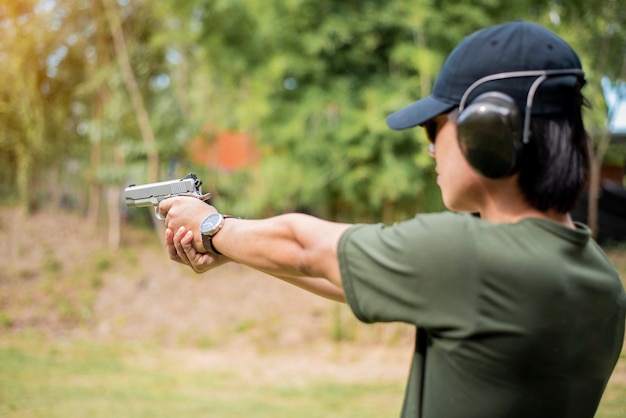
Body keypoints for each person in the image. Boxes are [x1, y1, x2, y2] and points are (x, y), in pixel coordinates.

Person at [159, 20, 626, 418]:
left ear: (487, 128)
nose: (429, 149)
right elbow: (336, 273)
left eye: (432, 128)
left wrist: (211, 227)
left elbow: (308, 249)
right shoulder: (599, 277)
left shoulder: (470, 256)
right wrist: (231, 246)